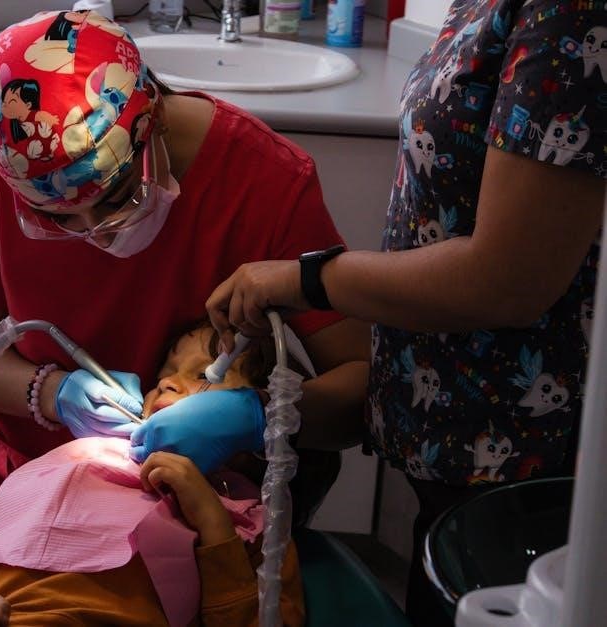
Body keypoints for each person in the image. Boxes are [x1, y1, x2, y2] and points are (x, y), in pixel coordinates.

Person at [193, 1, 605, 625]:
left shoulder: (571, 15)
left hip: (523, 453)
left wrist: (310, 280)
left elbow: (509, 279)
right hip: (454, 443)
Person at [0, 9, 369, 540]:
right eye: (59, 219)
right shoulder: (9, 162)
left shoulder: (265, 180)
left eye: (117, 199)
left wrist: (257, 416)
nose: (98, 234)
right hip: (9, 458)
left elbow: (361, 384)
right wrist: (51, 392)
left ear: (156, 122)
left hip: (177, 493)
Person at [0, 324, 304, 627]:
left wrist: (211, 520)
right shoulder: (79, 460)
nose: (169, 382)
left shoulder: (253, 521)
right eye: (165, 372)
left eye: (203, 375)